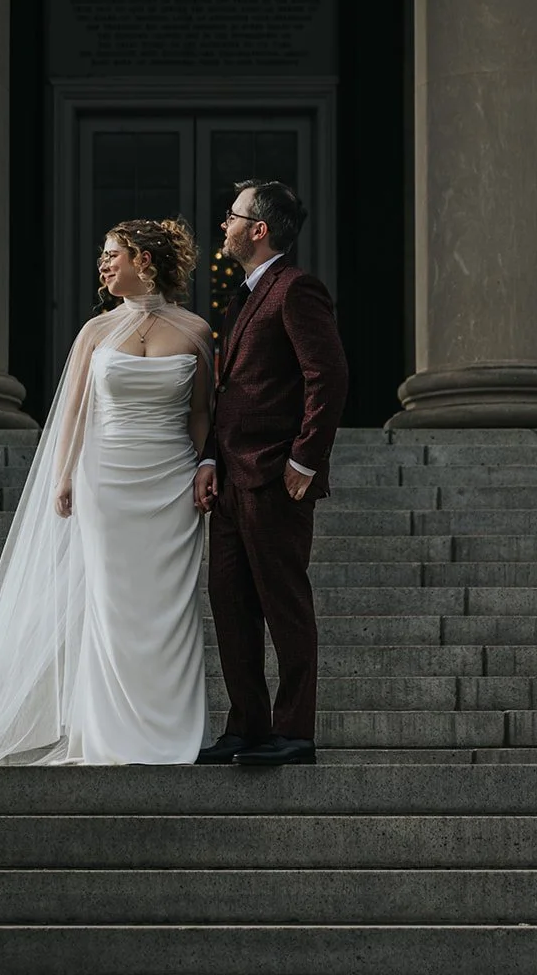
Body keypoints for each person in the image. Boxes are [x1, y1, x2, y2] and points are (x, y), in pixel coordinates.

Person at [0, 217, 214, 767]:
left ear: (144, 259)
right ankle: (111, 732)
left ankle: (170, 728)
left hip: (171, 483)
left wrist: (204, 465)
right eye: (103, 255)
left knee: (167, 609)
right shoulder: (96, 332)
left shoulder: (196, 331)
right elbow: (73, 410)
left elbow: (200, 414)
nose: (103, 264)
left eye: (112, 254)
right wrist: (64, 475)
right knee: (110, 604)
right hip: (109, 484)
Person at [195, 179, 348, 767]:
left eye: (231, 217)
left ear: (258, 230)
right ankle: (247, 726)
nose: (224, 226)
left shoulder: (296, 290)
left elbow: (327, 377)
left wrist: (305, 458)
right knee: (230, 604)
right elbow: (228, 389)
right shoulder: (243, 296)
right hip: (231, 481)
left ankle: (294, 732)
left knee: (283, 603)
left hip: (277, 478)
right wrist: (208, 457)